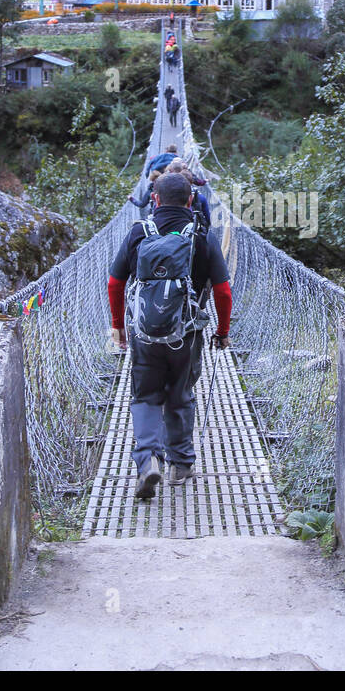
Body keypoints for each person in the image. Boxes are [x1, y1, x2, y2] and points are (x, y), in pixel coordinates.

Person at [108, 172, 232, 499]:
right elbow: (223, 291)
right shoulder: (203, 236)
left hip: (145, 334)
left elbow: (114, 283)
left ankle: (148, 458)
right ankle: (180, 463)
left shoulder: (139, 232)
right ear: (191, 200)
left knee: (145, 396)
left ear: (155, 199)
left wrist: (119, 326)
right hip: (187, 334)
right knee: (181, 394)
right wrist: (222, 332)